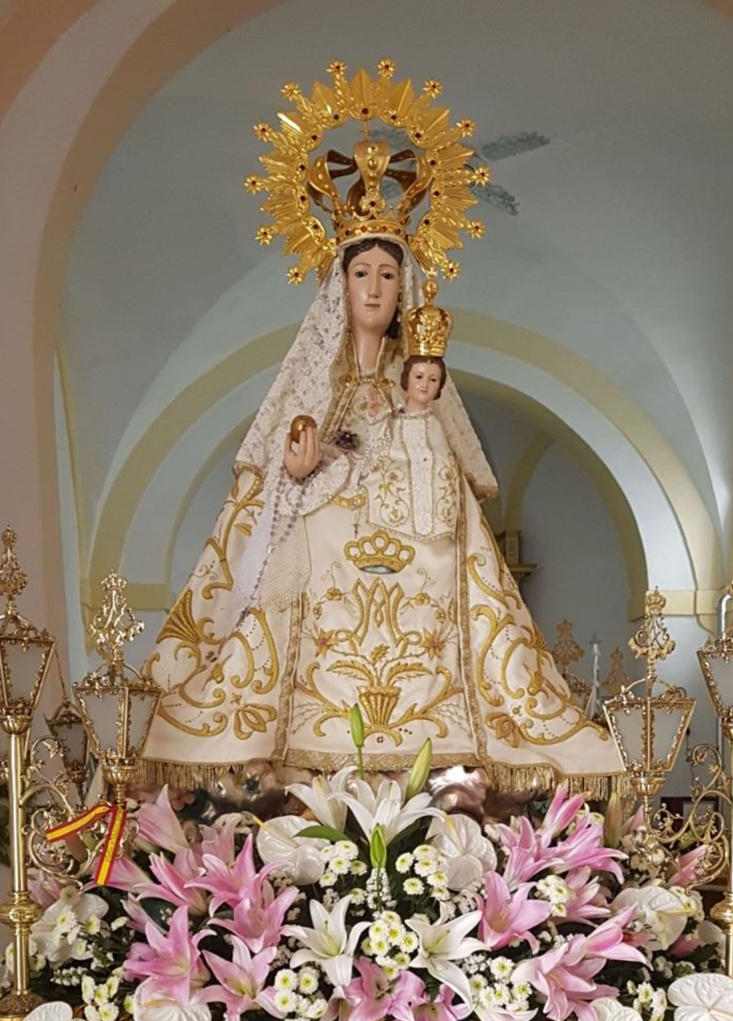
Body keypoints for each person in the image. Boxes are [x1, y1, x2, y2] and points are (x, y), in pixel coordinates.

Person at [140, 118, 621, 801]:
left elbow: (453, 512)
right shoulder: (314, 394)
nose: (373, 288)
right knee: (298, 563)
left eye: (388, 274)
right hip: (323, 581)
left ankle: (435, 759)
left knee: (445, 562)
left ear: (405, 288)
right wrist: (296, 479)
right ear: (340, 286)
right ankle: (293, 754)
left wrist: (418, 447)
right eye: (361, 272)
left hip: (411, 585)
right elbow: (260, 521)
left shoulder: (420, 394)